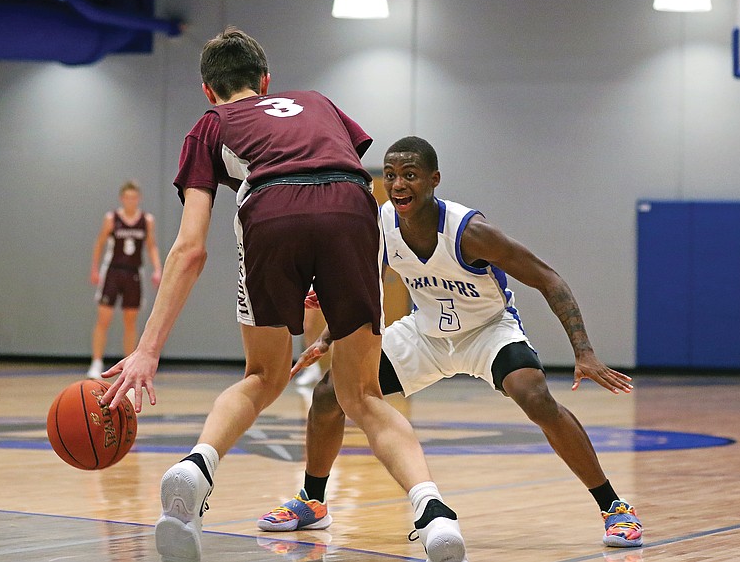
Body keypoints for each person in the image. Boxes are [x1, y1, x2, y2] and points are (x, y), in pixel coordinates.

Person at [99, 28, 468, 562]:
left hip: (270, 210)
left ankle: (196, 467)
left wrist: (147, 349)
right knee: (363, 395)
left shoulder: (210, 125)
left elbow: (189, 248)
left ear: (208, 90)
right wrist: (324, 264)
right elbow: (335, 173)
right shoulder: (318, 102)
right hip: (354, 205)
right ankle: (434, 516)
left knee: (263, 376)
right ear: (267, 81)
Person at [258, 136, 643, 550]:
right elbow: (363, 285)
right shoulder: (381, 223)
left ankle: (614, 507)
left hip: (487, 330)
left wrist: (583, 351)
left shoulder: (470, 232)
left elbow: (548, 279)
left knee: (535, 397)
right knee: (331, 393)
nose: (399, 184)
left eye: (410, 175)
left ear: (434, 179)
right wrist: (330, 335)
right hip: (425, 332)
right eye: (390, 176)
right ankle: (313, 501)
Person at [87, 180, 162, 379]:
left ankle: (129, 363)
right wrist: (94, 269)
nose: (131, 200)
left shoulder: (147, 220)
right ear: (122, 199)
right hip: (112, 271)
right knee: (104, 318)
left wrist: (157, 269)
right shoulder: (112, 218)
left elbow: (151, 245)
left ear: (139, 199)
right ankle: (96, 362)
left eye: (134, 197)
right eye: (127, 197)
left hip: (134, 273)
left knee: (131, 320)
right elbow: (100, 243)